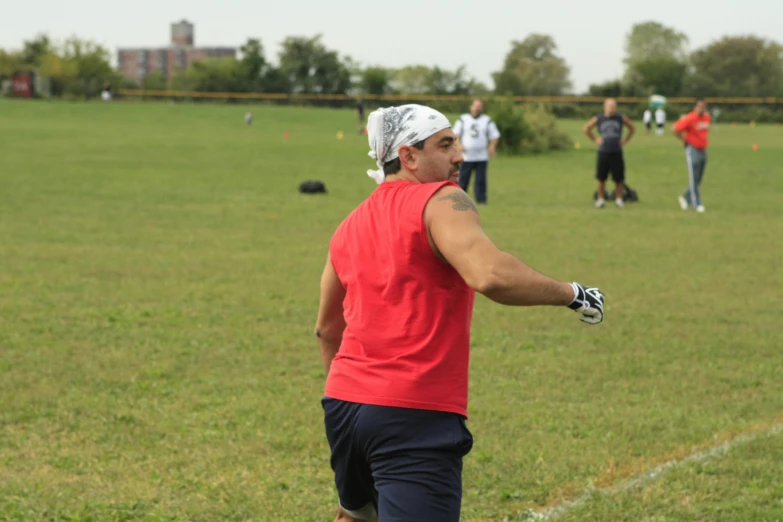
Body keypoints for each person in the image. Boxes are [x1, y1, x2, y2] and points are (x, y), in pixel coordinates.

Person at [315, 104, 606, 522]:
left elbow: (327, 330)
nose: (459, 155)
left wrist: (349, 399)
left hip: (343, 406)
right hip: (411, 412)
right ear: (409, 156)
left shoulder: (348, 224)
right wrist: (572, 293)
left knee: (357, 517)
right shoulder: (442, 198)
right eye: (445, 144)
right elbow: (489, 274)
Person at [583, 98, 635, 209]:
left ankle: (619, 199)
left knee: (619, 178)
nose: (612, 108)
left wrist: (625, 140)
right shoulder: (599, 118)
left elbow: (632, 128)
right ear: (605, 107)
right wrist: (595, 139)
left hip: (616, 151)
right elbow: (586, 128)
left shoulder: (620, 118)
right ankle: (601, 199)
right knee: (601, 177)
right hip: (603, 151)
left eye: (614, 106)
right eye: (610, 106)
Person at [453, 99, 500, 205]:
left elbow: (495, 135)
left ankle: (481, 200)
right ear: (471, 107)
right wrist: (459, 145)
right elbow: (455, 134)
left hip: (481, 156)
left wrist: (492, 147)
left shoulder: (487, 120)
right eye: (476, 106)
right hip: (466, 156)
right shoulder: (463, 119)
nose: (478, 108)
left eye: (480, 106)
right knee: (463, 179)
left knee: (480, 180)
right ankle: (460, 200)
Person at [673, 99, 712, 213]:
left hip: (703, 149)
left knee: (698, 178)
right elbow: (675, 129)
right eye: (699, 106)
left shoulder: (706, 118)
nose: (701, 109)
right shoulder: (690, 118)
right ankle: (697, 203)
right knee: (693, 177)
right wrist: (683, 140)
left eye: (703, 107)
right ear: (695, 107)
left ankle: (685, 198)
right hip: (693, 149)